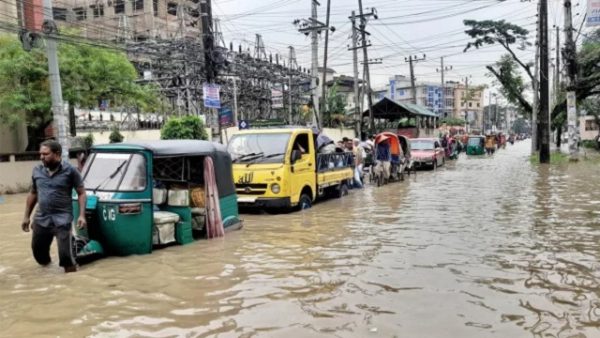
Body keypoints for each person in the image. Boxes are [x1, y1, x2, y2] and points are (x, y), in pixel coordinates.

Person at [22, 140, 87, 273]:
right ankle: (48, 278)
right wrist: (26, 217)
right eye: (40, 154)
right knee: (39, 256)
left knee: (66, 259)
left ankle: (71, 284)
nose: (41, 157)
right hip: (41, 219)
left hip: (62, 220)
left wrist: (81, 215)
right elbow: (33, 193)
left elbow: (81, 193)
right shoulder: (37, 171)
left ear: (57, 154)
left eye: (45, 154)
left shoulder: (70, 171)